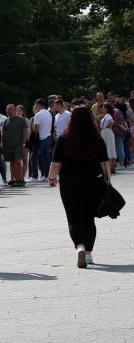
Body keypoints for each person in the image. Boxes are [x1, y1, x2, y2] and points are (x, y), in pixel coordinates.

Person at [48, 106, 110, 268]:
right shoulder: (97, 138)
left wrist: (51, 178)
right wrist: (108, 181)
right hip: (93, 182)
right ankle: (88, 253)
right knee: (89, 218)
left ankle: (79, 246)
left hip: (70, 183)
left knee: (73, 217)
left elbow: (56, 164)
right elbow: (105, 163)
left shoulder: (64, 138)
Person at [1, 104, 29, 187]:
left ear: (14, 110)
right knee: (12, 162)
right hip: (8, 145)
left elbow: (25, 132)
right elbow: (3, 133)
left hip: (18, 145)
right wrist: (3, 144)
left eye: (10, 109)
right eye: (7, 109)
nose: (9, 111)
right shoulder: (6, 121)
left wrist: (23, 143)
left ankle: (20, 179)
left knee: (18, 161)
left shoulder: (21, 120)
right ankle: (15, 180)